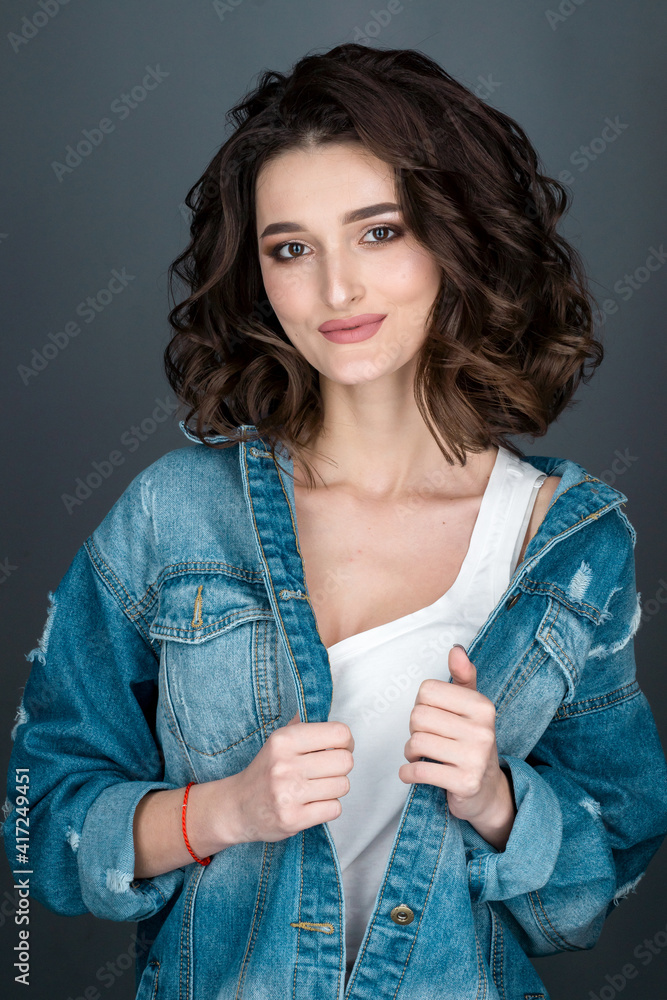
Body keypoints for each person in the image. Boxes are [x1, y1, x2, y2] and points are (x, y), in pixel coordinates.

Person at [4, 42, 667, 1000]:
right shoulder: (173, 514)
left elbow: (596, 886)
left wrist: (497, 801)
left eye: (378, 232)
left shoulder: (566, 544)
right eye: (290, 248)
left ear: (456, 237)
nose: (336, 290)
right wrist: (220, 812)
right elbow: (36, 825)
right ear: (258, 272)